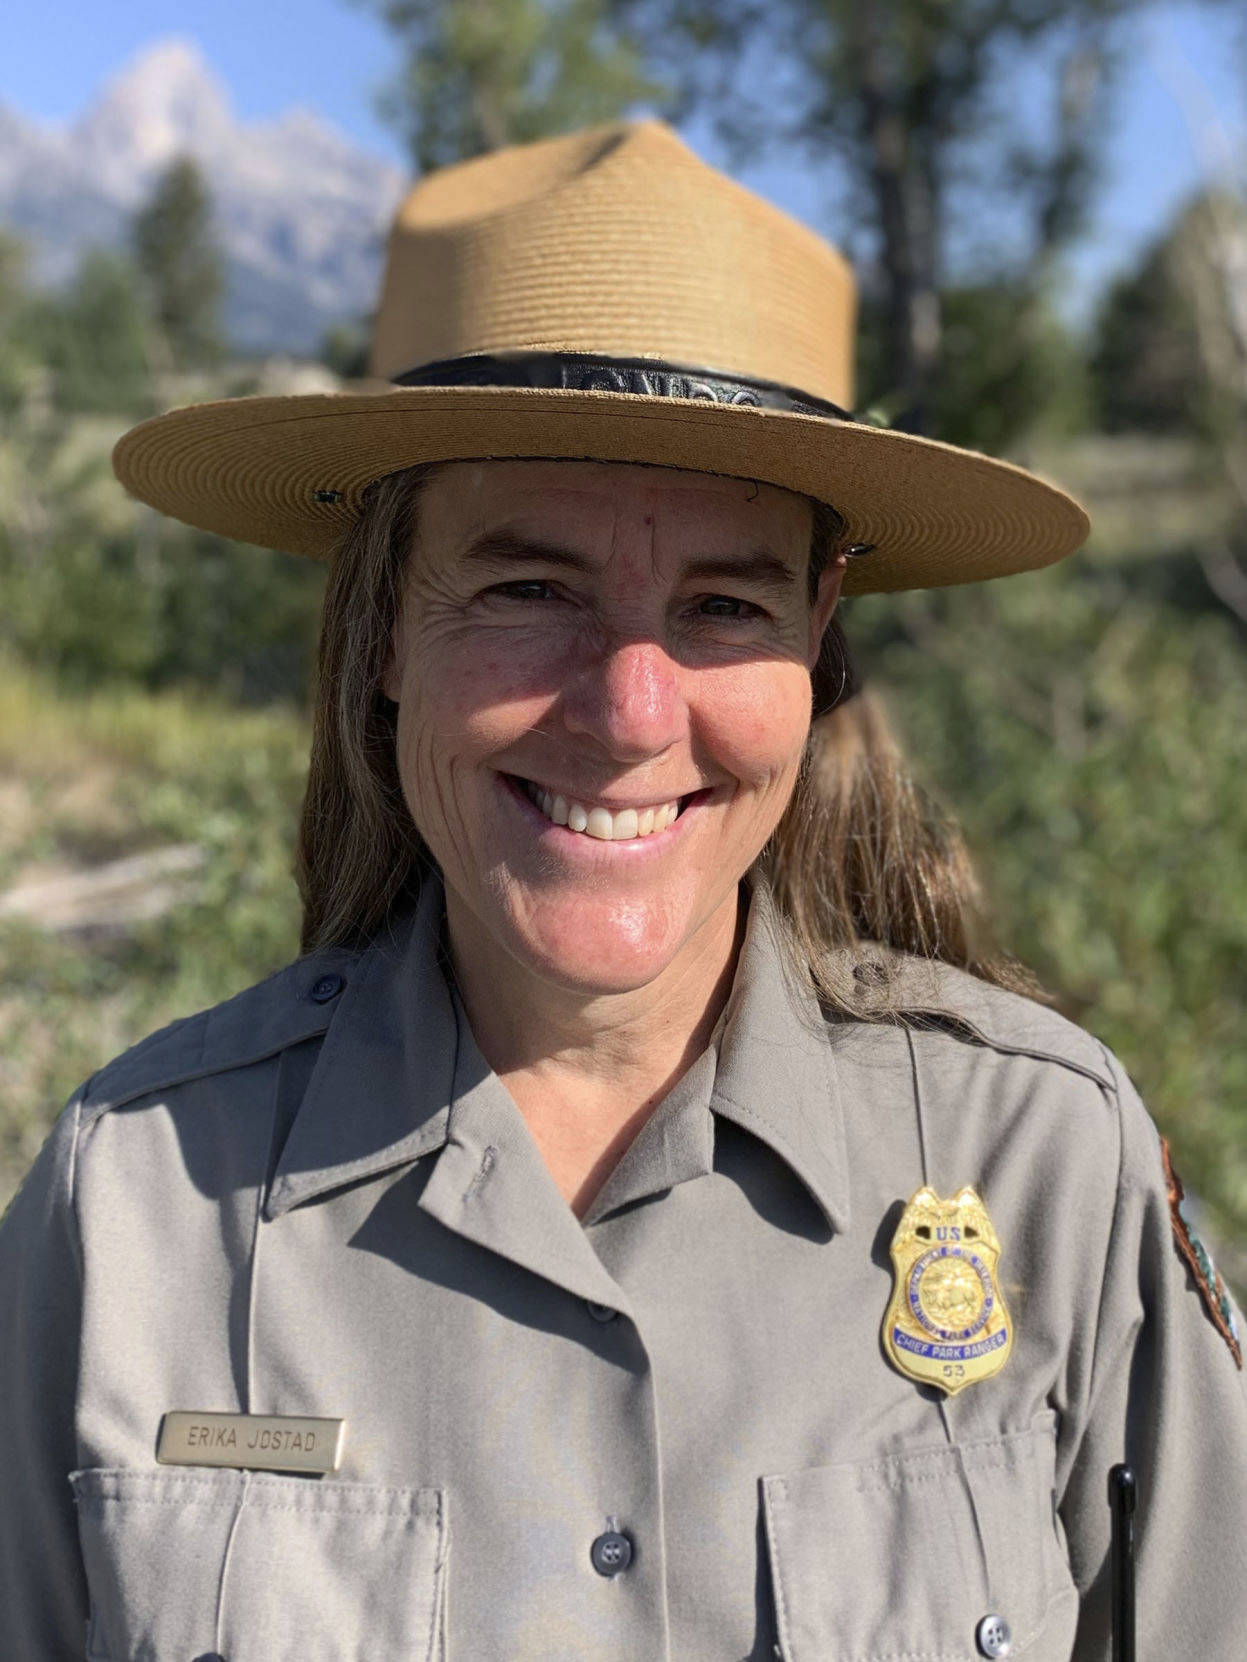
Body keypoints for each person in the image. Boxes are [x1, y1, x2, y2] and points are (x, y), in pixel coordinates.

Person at [1, 118, 1243, 1662]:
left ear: (816, 633)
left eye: (724, 604)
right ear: (384, 628)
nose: (633, 713)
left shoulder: (1045, 1159)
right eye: (530, 588)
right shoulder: (132, 1209)